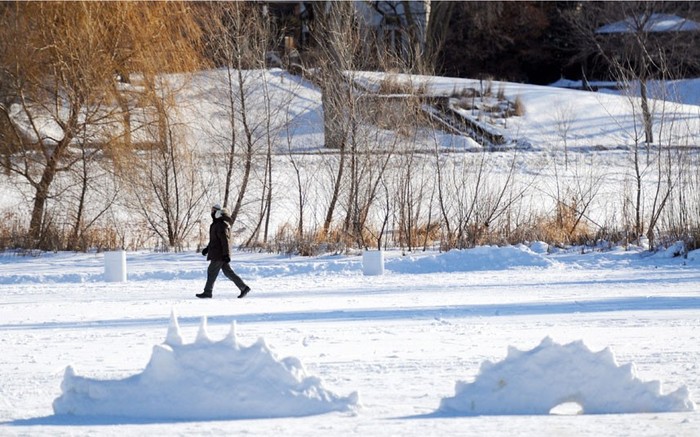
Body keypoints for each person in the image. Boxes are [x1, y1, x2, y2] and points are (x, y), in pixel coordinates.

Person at [196, 204, 251, 299]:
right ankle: (244, 287)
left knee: (211, 271)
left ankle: (207, 292)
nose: (211, 212)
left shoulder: (221, 225)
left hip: (219, 254)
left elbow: (225, 241)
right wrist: (207, 249)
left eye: (213, 211)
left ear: (218, 212)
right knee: (228, 272)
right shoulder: (216, 224)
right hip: (218, 253)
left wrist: (226, 255)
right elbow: (214, 240)